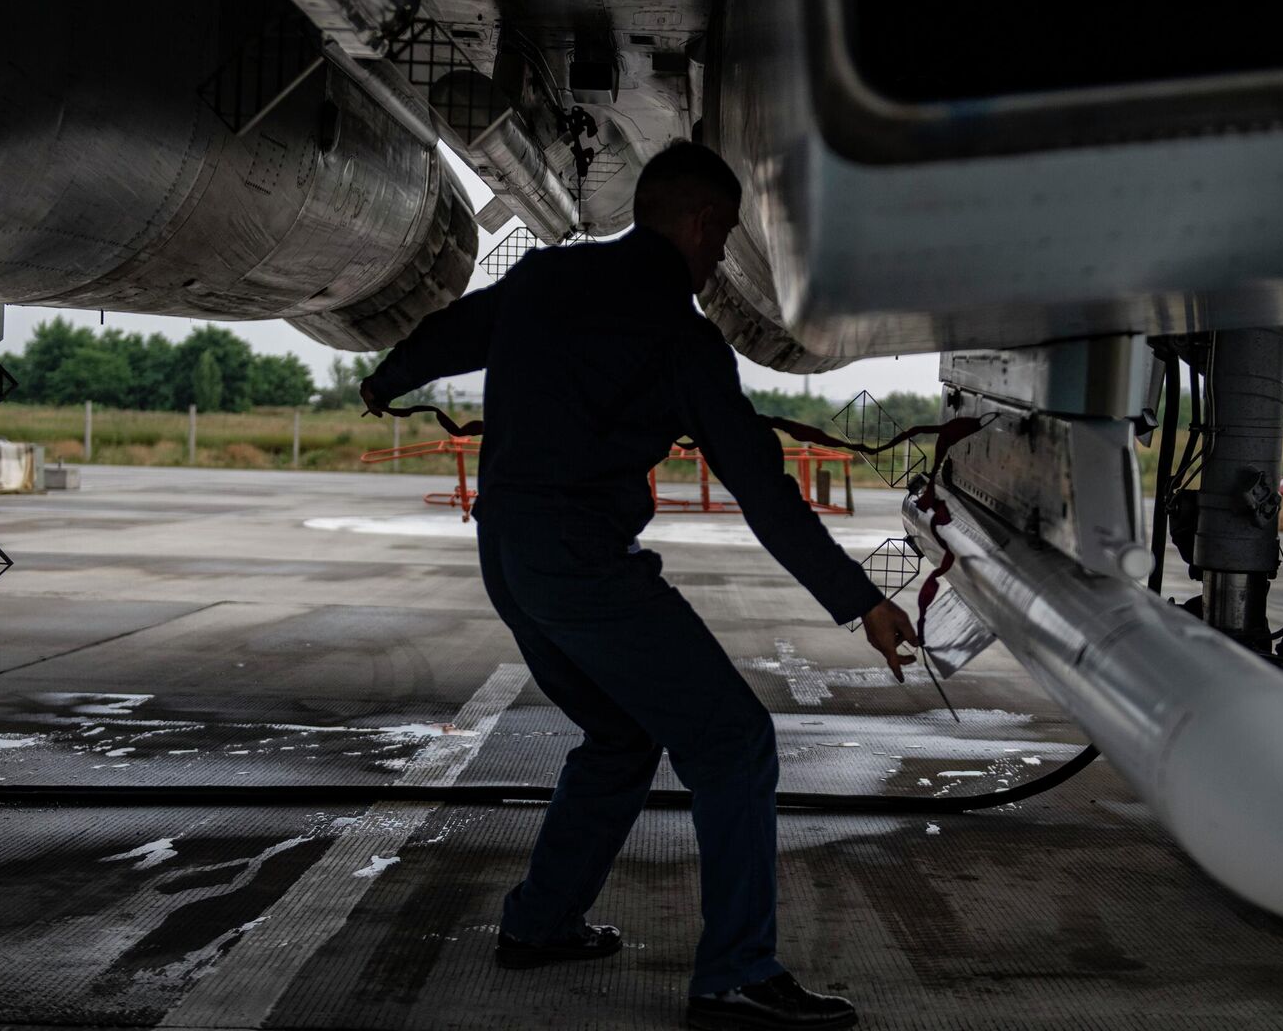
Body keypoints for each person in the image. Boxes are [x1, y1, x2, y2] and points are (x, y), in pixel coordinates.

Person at [361, 141, 919, 1030]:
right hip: (581, 563)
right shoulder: (682, 339)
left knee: (621, 736)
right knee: (734, 743)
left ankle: (541, 924)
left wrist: (383, 382)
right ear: (699, 224)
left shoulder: (548, 279)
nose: (718, 259)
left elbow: (449, 334)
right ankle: (737, 974)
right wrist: (863, 603)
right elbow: (765, 494)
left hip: (508, 554)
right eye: (723, 237)